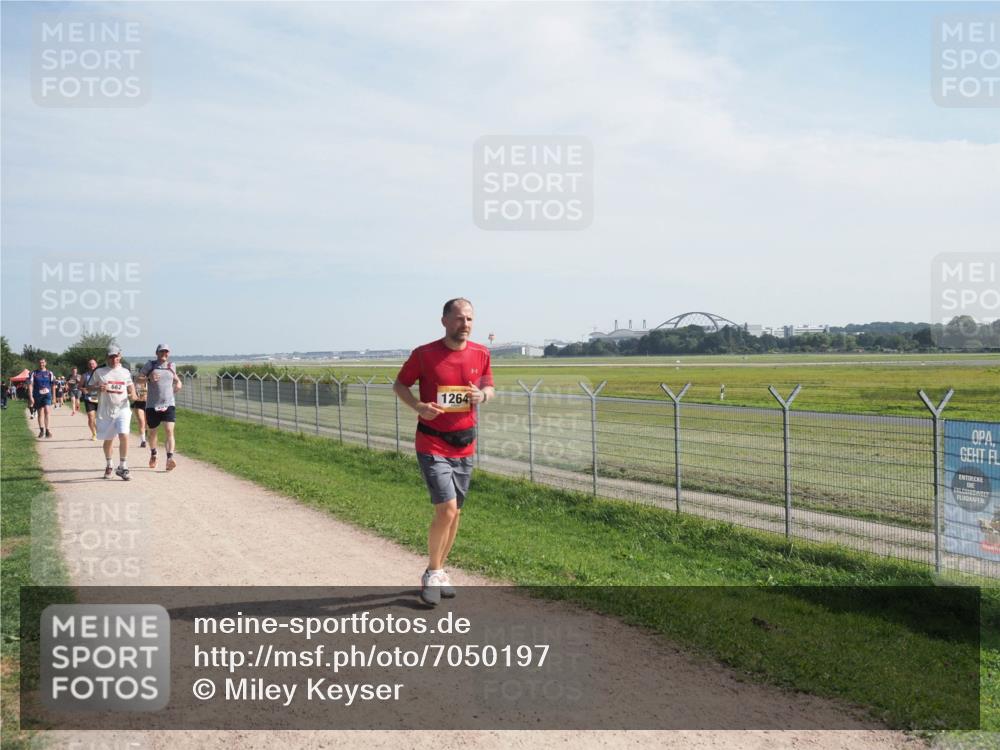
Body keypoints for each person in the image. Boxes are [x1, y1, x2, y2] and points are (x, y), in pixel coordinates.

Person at [393, 298, 494, 607]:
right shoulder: (424, 355)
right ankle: (433, 571)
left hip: (465, 443)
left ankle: (438, 571)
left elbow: (490, 386)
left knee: (456, 513)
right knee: (447, 509)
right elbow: (400, 385)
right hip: (432, 442)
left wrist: (483, 395)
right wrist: (418, 406)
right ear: (444, 321)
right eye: (459, 318)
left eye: (470, 319)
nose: (465, 324)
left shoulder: (481, 353)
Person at [88, 345, 138, 480]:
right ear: (107, 358)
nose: (114, 359)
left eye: (116, 356)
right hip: (105, 410)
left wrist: (133, 393)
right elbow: (88, 387)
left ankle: (123, 466)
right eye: (111, 356)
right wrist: (98, 387)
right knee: (108, 440)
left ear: (120, 356)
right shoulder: (99, 371)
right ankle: (109, 464)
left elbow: (130, 385)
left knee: (124, 435)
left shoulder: (125, 372)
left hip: (123, 408)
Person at [141, 344, 182, 471]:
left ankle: (169, 458)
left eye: (166, 352)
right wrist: (148, 378)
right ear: (157, 353)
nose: (164, 354)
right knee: (153, 432)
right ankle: (154, 454)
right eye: (162, 351)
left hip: (169, 403)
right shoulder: (150, 365)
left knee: (170, 431)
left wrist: (179, 383)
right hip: (152, 405)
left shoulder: (171, 366)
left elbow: (176, 378)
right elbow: (137, 379)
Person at [28, 358, 56, 438]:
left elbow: (53, 385)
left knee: (47, 411)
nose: (41, 364)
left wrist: (54, 397)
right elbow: (30, 385)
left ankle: (47, 430)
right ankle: (41, 430)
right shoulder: (34, 373)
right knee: (40, 413)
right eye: (40, 363)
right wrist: (31, 396)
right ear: (38, 363)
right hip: (38, 395)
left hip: (47, 395)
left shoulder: (50, 373)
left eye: (43, 362)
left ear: (45, 363)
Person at [81, 358, 100, 440]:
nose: (92, 365)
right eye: (90, 364)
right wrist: (83, 389)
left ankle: (104, 431)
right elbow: (80, 386)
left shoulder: (101, 375)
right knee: (91, 417)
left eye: (93, 363)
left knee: (101, 417)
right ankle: (94, 433)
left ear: (96, 365)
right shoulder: (85, 375)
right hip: (89, 398)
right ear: (88, 366)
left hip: (100, 398)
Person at [132, 367, 149, 448]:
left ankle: (145, 432)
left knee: (146, 422)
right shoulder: (135, 383)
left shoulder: (149, 382)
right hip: (138, 403)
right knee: (141, 421)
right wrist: (132, 395)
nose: (141, 376)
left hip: (148, 404)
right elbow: (131, 392)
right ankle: (143, 441)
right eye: (140, 375)